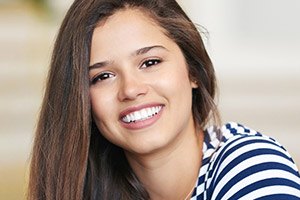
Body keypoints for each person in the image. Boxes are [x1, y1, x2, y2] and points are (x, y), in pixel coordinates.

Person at [27, 0, 300, 199]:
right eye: (103, 76)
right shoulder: (85, 186)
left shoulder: (250, 166)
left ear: (193, 70)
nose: (130, 89)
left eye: (150, 62)